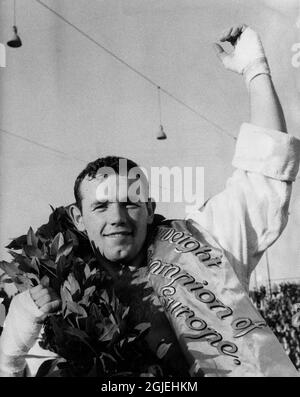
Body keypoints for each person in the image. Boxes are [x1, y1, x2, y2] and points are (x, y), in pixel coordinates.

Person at [1, 24, 300, 377]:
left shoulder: (205, 241)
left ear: (149, 208)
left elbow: (264, 174)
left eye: (130, 202)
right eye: (100, 206)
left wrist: (256, 70)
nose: (117, 217)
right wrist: (10, 349)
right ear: (78, 218)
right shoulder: (52, 298)